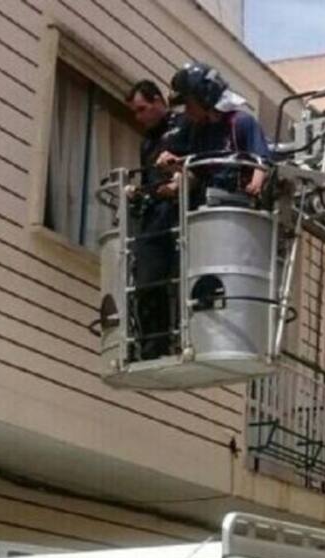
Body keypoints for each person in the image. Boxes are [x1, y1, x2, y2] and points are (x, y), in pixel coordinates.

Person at [125, 79, 187, 359]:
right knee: (147, 280)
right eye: (135, 112)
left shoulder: (184, 125)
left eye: (142, 109)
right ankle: (152, 345)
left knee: (177, 279)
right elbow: (149, 180)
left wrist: (177, 182)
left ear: (158, 101)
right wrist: (137, 192)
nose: (139, 117)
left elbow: (196, 165)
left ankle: (177, 338)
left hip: (178, 210)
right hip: (154, 214)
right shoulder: (147, 142)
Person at [161, 62, 270, 208]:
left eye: (188, 104)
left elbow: (262, 162)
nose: (186, 111)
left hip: (241, 207)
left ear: (204, 97)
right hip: (209, 207)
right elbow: (198, 175)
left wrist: (255, 185)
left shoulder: (240, 122)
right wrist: (175, 170)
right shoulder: (199, 131)